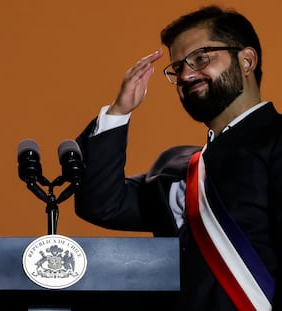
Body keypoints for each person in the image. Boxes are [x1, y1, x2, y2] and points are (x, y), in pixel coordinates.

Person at [74, 5, 281, 311]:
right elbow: (101, 203)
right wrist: (119, 112)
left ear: (247, 60)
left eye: (201, 58)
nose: (185, 74)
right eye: (177, 67)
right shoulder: (181, 168)